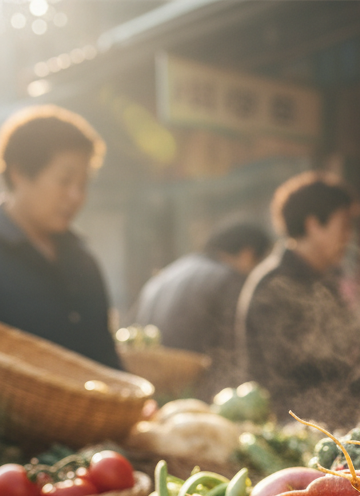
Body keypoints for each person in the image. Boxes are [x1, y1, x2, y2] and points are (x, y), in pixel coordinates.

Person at [237, 172, 360, 425]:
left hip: (333, 422)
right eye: (345, 225)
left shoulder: (323, 280)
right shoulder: (275, 284)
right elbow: (305, 372)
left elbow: (352, 345)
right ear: (314, 224)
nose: (349, 237)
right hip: (294, 427)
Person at [0, 105, 120, 368]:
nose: (76, 197)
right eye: (65, 181)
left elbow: (106, 358)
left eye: (83, 184)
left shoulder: (82, 262)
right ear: (19, 173)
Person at [133, 221, 270, 392]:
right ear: (247, 254)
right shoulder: (229, 278)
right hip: (194, 392)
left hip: (153, 386)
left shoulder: (168, 273)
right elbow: (235, 349)